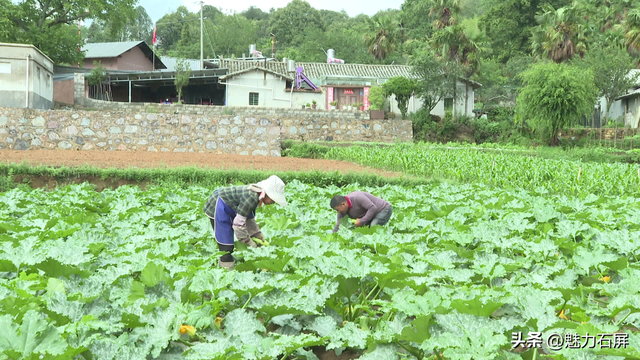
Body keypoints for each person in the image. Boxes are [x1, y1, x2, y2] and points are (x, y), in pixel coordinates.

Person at [203, 175, 287, 269]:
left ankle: (223, 267)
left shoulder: (256, 196)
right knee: (226, 248)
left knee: (227, 247)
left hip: (227, 206)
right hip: (218, 204)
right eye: (273, 199)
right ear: (267, 193)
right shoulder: (252, 197)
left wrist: (258, 236)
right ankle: (226, 272)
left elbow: (248, 219)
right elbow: (238, 225)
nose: (273, 202)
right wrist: (250, 243)